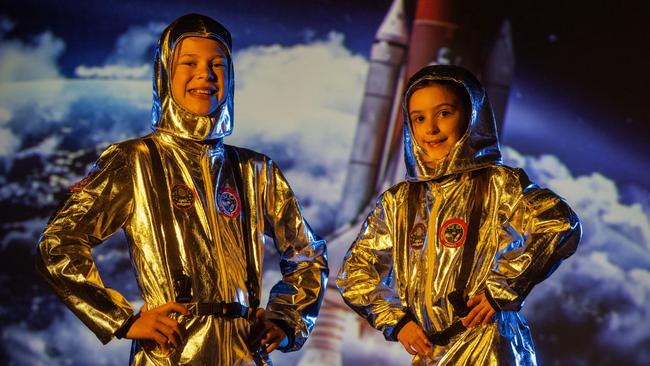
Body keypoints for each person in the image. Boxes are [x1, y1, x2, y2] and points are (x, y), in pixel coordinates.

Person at [35, 13, 328, 366]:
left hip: (244, 352)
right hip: (170, 354)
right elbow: (58, 244)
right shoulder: (134, 161)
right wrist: (122, 319)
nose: (205, 75)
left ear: (230, 78)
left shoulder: (255, 171)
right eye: (189, 63)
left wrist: (285, 319)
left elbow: (307, 254)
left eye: (217, 65)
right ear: (165, 74)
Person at [336, 64, 581, 365]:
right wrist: (398, 323)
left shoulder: (498, 185)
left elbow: (559, 223)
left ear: (470, 117)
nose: (431, 129)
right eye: (419, 118)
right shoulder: (399, 202)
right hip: (431, 351)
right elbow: (356, 272)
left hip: (488, 346)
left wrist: (500, 288)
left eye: (444, 113)